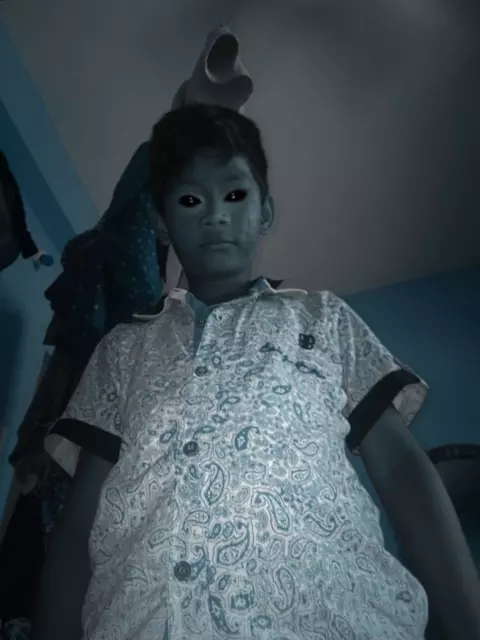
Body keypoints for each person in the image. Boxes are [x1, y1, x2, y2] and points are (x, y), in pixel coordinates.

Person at [33, 104, 480, 640]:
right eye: (190, 200)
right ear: (161, 221)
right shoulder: (121, 350)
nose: (215, 215)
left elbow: (403, 470)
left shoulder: (324, 318)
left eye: (235, 195)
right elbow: (81, 520)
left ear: (265, 212)